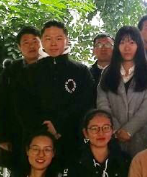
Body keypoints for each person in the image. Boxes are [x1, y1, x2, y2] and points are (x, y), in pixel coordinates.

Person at [20, 20, 95, 164]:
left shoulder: (81, 71)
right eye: (48, 39)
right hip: (38, 142)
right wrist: (44, 129)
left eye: (59, 38)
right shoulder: (29, 72)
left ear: (67, 40)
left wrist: (59, 128)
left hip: (72, 140)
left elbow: (85, 104)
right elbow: (23, 107)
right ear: (42, 41)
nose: (53, 43)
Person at [97, 26, 147, 157]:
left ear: (139, 45)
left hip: (141, 137)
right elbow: (102, 104)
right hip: (112, 135)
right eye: (122, 42)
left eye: (132, 42)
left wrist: (128, 130)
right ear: (117, 46)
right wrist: (116, 128)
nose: (127, 47)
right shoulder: (107, 72)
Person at [0, 26, 43, 177]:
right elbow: (1, 104)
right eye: (26, 42)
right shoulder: (11, 70)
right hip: (17, 132)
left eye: (35, 41)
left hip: (43, 132)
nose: (31, 46)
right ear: (19, 47)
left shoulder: (51, 67)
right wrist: (3, 137)